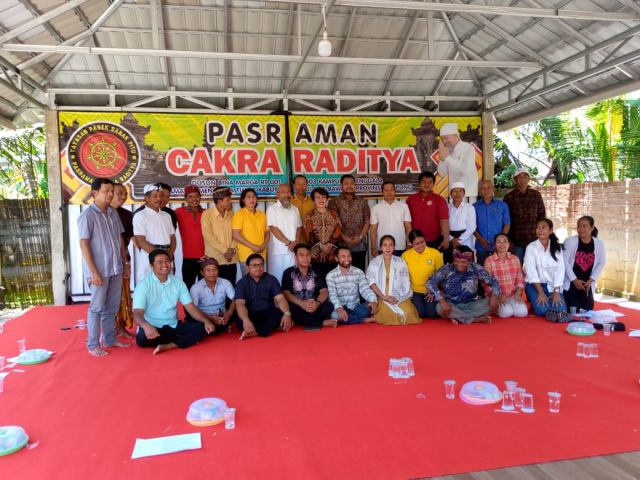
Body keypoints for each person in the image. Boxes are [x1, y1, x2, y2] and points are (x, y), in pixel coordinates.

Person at [78, 177, 132, 357]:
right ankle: (93, 344)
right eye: (106, 191)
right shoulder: (87, 216)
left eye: (111, 191)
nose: (110, 194)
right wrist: (93, 272)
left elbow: (120, 239)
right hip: (99, 271)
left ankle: (109, 339)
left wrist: (125, 263)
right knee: (96, 308)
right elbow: (84, 244)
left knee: (112, 307)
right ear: (95, 193)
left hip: (116, 268)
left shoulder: (113, 213)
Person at [132, 249, 214, 354]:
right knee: (142, 338)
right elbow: (137, 314)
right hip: (153, 326)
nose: (164, 264)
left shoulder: (178, 283)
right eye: (160, 262)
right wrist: (146, 326)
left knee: (203, 327)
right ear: (151, 266)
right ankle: (180, 340)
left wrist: (205, 320)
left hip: (173, 325)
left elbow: (190, 307)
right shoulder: (143, 285)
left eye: (167, 261)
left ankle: (169, 345)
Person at [426, 246, 500, 324]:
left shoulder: (475, 267)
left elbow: (494, 281)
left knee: (492, 303)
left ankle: (458, 317)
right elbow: (430, 282)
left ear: (469, 261)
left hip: (472, 304)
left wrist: (494, 297)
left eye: (463, 262)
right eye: (456, 261)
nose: (459, 264)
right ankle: (474, 319)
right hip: (451, 304)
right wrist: (442, 301)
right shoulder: (447, 268)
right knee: (439, 307)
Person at [234, 253, 292, 338]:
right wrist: (246, 320)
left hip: (268, 313)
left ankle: (253, 331)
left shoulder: (271, 279)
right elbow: (240, 304)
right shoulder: (241, 283)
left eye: (261, 265)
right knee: (239, 319)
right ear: (248, 267)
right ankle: (264, 330)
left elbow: (280, 298)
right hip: (250, 314)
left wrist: (287, 313)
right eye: (255, 265)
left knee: (281, 313)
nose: (258, 268)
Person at [366, 235, 421, 325]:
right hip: (381, 295)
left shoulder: (400, 261)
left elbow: (405, 281)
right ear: (381, 247)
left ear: (394, 247)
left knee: (408, 314)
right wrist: (382, 296)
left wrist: (397, 297)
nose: (388, 248)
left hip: (399, 296)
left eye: (391, 245)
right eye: (385, 245)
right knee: (388, 315)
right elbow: (371, 282)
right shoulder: (374, 262)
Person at [282, 244, 336, 329]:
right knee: (291, 308)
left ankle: (306, 321)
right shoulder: (288, 272)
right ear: (295, 257)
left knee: (329, 306)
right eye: (302, 255)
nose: (305, 258)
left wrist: (317, 303)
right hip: (298, 306)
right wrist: (302, 304)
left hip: (314, 305)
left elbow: (324, 291)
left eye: (308, 255)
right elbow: (286, 293)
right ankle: (321, 323)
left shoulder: (317, 271)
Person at [132, 183, 176, 283]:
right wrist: (159, 257)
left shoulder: (167, 215)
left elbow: (173, 239)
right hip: (149, 257)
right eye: (155, 196)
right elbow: (140, 240)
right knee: (150, 286)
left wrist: (168, 256)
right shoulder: (140, 215)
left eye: (160, 195)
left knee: (167, 286)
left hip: (167, 256)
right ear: (146, 198)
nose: (159, 199)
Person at [524, 218, 566, 317]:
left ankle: (549, 308)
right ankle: (543, 306)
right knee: (542, 310)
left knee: (561, 309)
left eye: (543, 227)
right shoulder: (531, 248)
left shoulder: (557, 247)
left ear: (550, 230)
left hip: (552, 285)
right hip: (535, 286)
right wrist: (541, 292)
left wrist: (556, 292)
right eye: (538, 227)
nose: (540, 230)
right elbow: (531, 272)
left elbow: (560, 270)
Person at [563, 216, 606, 312]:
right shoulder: (570, 241)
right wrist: (574, 280)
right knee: (572, 309)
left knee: (587, 309)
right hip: (572, 283)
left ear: (592, 227)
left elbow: (601, 262)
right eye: (579, 226)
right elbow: (564, 261)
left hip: (587, 284)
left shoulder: (599, 243)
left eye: (584, 226)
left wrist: (591, 280)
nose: (581, 229)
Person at [326, 247, 378, 324]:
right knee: (335, 316)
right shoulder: (330, 276)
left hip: (356, 307)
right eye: (343, 256)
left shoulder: (358, 272)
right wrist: (339, 309)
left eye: (349, 256)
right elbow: (332, 295)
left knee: (367, 309)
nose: (347, 259)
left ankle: (351, 319)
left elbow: (365, 290)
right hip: (340, 307)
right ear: (336, 258)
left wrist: (373, 301)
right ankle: (363, 320)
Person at [328, 174, 370, 271]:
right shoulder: (334, 201)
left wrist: (360, 237)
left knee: (359, 272)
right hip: (341, 244)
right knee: (342, 272)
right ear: (341, 186)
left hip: (359, 245)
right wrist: (344, 238)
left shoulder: (362, 201)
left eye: (352, 183)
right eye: (346, 183)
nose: (349, 186)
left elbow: (367, 221)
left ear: (355, 185)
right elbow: (333, 223)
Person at [504, 168, 546, 264]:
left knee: (535, 265)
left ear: (528, 179)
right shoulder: (509, 197)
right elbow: (506, 220)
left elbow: (542, 216)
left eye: (525, 176)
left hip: (534, 239)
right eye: (519, 177)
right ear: (515, 179)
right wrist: (509, 240)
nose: (522, 179)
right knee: (517, 265)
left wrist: (542, 235)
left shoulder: (536, 195)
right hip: (516, 241)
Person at [110, 182, 134, 339]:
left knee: (123, 295)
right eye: (120, 193)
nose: (124, 196)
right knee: (107, 297)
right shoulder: (101, 213)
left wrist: (126, 261)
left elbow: (128, 239)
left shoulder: (127, 215)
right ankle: (108, 328)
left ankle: (121, 326)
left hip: (122, 260)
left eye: (125, 194)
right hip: (105, 262)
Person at [483, 233, 527, 318]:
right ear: (495, 245)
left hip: (512, 294)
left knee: (522, 313)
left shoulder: (515, 259)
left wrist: (518, 293)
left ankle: (511, 304)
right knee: (507, 313)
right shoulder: (489, 260)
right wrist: (498, 296)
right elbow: (487, 283)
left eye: (504, 241)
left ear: (509, 244)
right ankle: (494, 306)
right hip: (496, 295)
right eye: (498, 242)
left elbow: (520, 278)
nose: (502, 244)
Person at [402, 229, 443, 318]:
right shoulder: (405, 255)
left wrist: (433, 291)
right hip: (414, 291)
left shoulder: (435, 253)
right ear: (411, 244)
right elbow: (402, 277)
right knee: (420, 313)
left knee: (431, 314)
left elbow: (440, 274)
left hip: (430, 290)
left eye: (422, 242)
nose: (420, 245)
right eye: (417, 244)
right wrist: (408, 293)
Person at [201, 186, 238, 285]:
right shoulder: (207, 214)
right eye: (228, 200)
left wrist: (232, 249)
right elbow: (208, 237)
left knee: (230, 289)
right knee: (214, 289)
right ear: (219, 201)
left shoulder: (232, 214)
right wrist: (225, 250)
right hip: (214, 261)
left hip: (230, 260)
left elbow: (236, 234)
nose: (230, 202)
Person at [189, 256, 236, 334]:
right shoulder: (196, 287)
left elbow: (235, 298)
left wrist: (229, 313)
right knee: (194, 319)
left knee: (239, 309)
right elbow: (193, 308)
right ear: (202, 273)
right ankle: (218, 327)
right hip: (204, 317)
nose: (212, 273)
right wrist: (209, 318)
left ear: (218, 270)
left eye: (214, 269)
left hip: (222, 315)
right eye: (208, 270)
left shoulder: (225, 282)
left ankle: (219, 326)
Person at [267, 183, 302, 283]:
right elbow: (274, 229)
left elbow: (299, 227)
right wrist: (289, 243)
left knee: (293, 280)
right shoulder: (272, 209)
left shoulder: (295, 209)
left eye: (288, 192)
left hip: (294, 250)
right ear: (277, 194)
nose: (286, 194)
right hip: (279, 252)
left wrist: (296, 242)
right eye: (283, 192)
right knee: (279, 279)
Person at [406, 171, 450, 250]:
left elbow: (444, 221)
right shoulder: (410, 200)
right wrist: (409, 242)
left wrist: (446, 239)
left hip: (435, 241)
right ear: (419, 183)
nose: (426, 185)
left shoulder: (440, 200)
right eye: (424, 182)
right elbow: (407, 222)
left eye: (430, 182)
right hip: (415, 241)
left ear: (433, 184)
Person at [304, 187, 342, 276]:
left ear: (327, 199)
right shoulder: (309, 215)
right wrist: (321, 246)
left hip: (331, 252)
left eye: (323, 197)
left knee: (332, 277)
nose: (321, 200)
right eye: (318, 197)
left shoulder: (333, 214)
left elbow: (338, 228)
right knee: (317, 278)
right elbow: (308, 232)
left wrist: (329, 245)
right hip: (316, 254)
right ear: (313, 200)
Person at [436, 122, 479, 199]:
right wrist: (442, 159)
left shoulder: (468, 148)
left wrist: (447, 158)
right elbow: (442, 173)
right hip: (453, 196)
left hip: (468, 195)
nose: (444, 141)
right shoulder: (447, 151)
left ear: (456, 136)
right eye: (442, 139)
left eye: (446, 138)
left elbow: (465, 170)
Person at [232, 188, 269, 276]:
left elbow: (267, 232)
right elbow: (235, 234)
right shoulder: (239, 214)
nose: (251, 199)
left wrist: (263, 245)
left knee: (261, 280)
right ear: (243, 200)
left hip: (261, 254)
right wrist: (253, 247)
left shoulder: (262, 214)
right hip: (246, 255)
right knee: (249, 281)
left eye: (253, 197)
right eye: (248, 197)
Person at [370, 181, 412, 258]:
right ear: (382, 192)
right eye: (386, 190)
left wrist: (409, 243)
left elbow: (408, 226)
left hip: (400, 246)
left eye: (391, 190)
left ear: (395, 191)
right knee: (384, 266)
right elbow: (373, 229)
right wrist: (373, 247)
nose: (389, 192)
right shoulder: (376, 208)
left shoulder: (403, 206)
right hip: (383, 246)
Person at [474, 180, 510, 266]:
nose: (486, 190)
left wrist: (500, 241)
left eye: (489, 188)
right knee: (481, 270)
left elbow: (507, 224)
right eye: (483, 188)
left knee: (499, 269)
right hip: (481, 246)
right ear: (479, 190)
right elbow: (471, 226)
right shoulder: (474, 207)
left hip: (499, 247)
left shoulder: (502, 205)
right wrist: (480, 239)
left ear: (493, 189)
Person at [175, 185, 205, 289]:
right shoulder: (178, 212)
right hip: (188, 257)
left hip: (205, 257)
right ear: (186, 199)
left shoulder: (207, 213)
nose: (194, 199)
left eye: (196, 196)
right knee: (187, 288)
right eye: (190, 196)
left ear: (200, 197)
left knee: (205, 288)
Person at [445, 181, 476, 263]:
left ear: (464, 193)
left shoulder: (470, 208)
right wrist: (451, 239)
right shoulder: (446, 207)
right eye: (454, 191)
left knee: (467, 265)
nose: (457, 194)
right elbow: (443, 226)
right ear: (450, 193)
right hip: (450, 240)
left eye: (460, 191)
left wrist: (459, 240)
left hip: (465, 240)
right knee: (450, 265)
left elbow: (472, 227)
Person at [292, 175, 315, 242]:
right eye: (298, 184)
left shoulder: (313, 201)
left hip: (310, 239)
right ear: (294, 186)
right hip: (294, 240)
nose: (301, 187)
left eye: (304, 184)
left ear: (307, 186)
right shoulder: (289, 202)